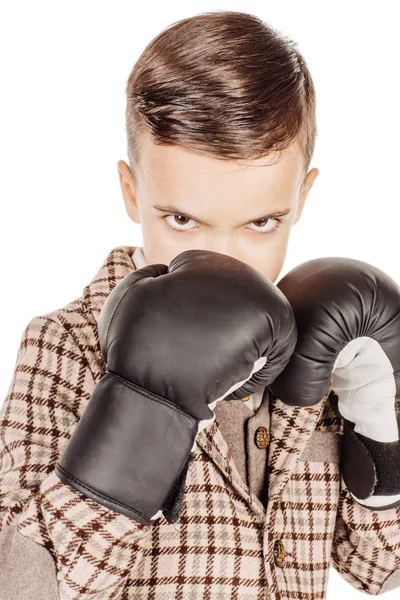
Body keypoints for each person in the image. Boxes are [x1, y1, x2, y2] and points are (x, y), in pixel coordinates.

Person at [1, 10, 399, 600]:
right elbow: (23, 587)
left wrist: (379, 418)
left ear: (302, 196)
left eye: (261, 222)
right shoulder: (67, 343)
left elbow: (377, 564)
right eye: (182, 220)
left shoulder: (324, 344)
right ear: (133, 192)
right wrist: (142, 409)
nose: (224, 261)